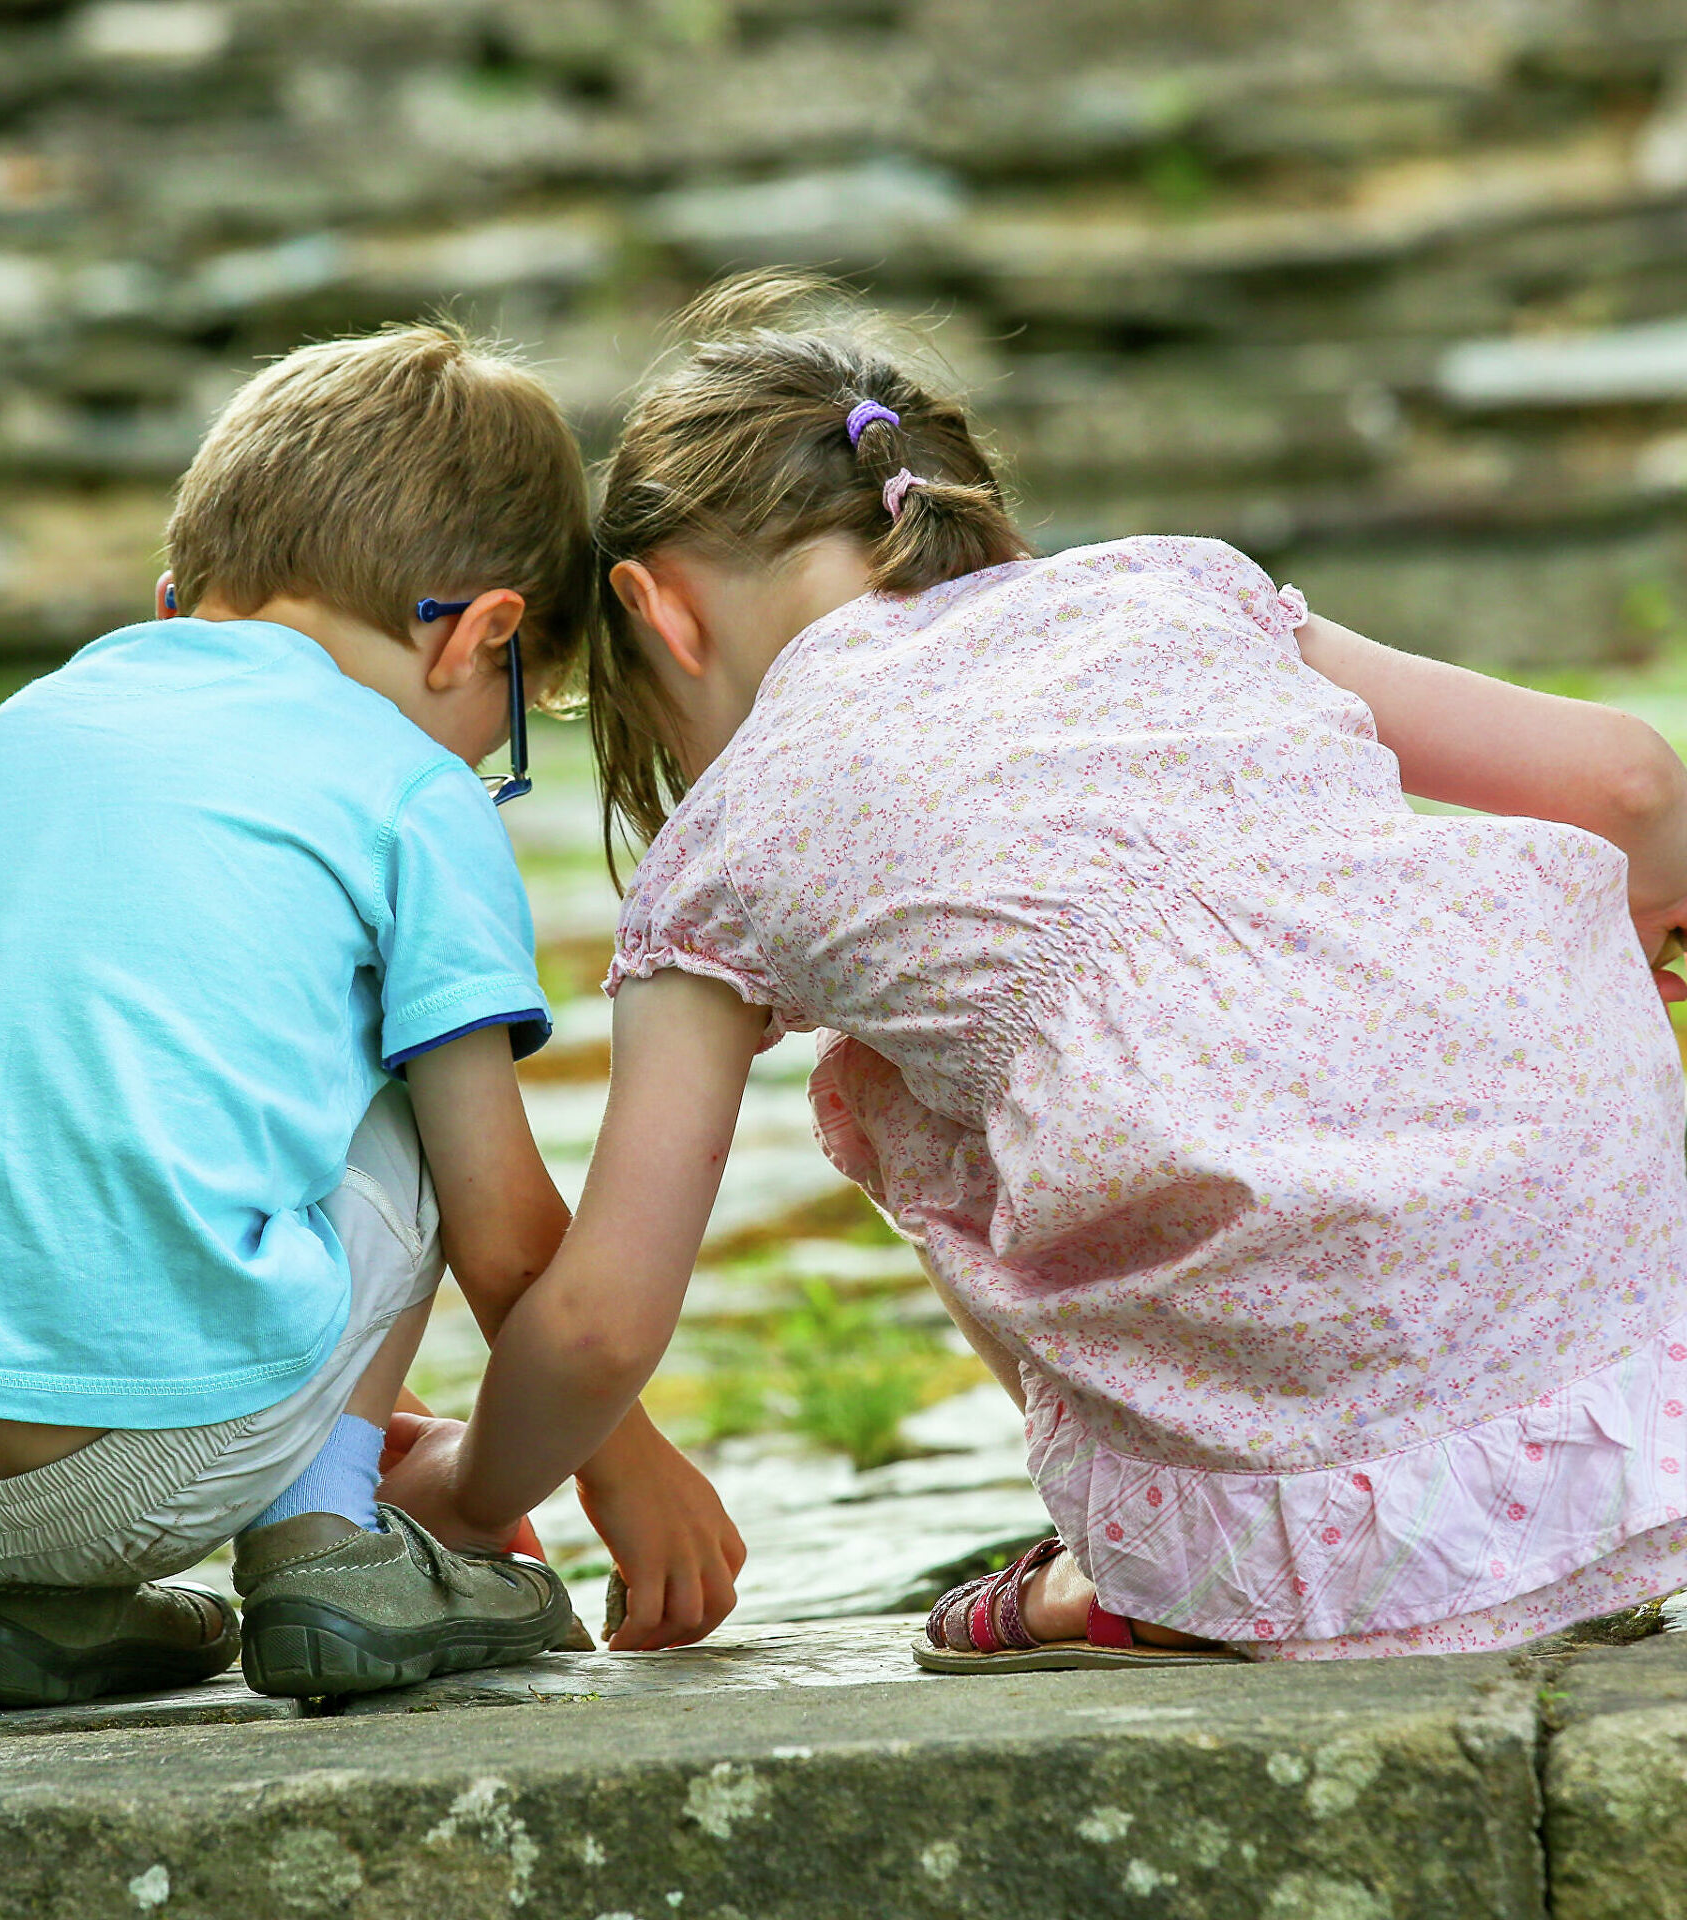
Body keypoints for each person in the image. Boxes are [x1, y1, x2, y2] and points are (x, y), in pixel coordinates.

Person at [388, 271, 1687, 1665]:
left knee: (882, 1076)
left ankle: (1155, 1561)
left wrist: (469, 1490)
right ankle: (1505, 1480)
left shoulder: (732, 842)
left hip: (1305, 1480)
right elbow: (1626, 782)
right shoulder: (1176, 585)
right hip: (1627, 1350)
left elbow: (598, 1326)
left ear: (658, 610)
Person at [0, 323, 741, 1708]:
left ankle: (29, 1609)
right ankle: (329, 1550)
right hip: (146, 1457)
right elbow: (507, 1231)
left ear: (185, 593)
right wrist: (623, 1463)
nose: (486, 757)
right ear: (485, 636)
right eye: (515, 721)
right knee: (416, 1054)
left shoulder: (22, 726)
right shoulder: (412, 790)